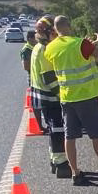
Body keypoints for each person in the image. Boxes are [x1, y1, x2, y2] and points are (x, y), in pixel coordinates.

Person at [43, 15, 98, 186]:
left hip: (67, 97)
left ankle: (76, 173)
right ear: (69, 24)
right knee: (96, 135)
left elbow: (72, 56)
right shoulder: (81, 43)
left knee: (70, 136)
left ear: (55, 28)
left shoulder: (50, 48)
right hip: (87, 96)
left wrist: (90, 45)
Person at [30, 17, 72, 178]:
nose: (56, 35)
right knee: (58, 129)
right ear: (47, 32)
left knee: (53, 129)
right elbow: (49, 76)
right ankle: (61, 163)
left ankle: (54, 160)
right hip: (50, 97)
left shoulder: (37, 47)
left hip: (41, 96)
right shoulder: (44, 50)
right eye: (54, 32)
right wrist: (63, 96)